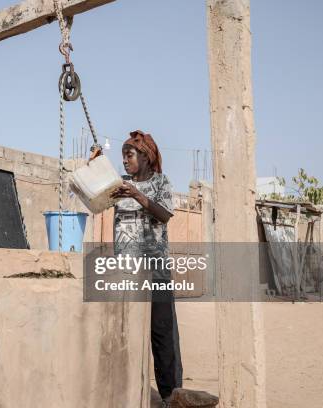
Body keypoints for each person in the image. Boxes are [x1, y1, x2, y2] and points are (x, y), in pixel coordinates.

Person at [91, 130, 182, 408]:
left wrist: (137, 194)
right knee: (126, 334)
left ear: (145, 157)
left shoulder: (160, 182)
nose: (125, 161)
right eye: (122, 157)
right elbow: (92, 200)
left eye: (129, 156)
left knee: (162, 336)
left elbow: (165, 214)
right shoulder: (119, 185)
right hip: (126, 273)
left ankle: (170, 397)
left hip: (156, 273)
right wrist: (94, 166)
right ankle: (127, 395)